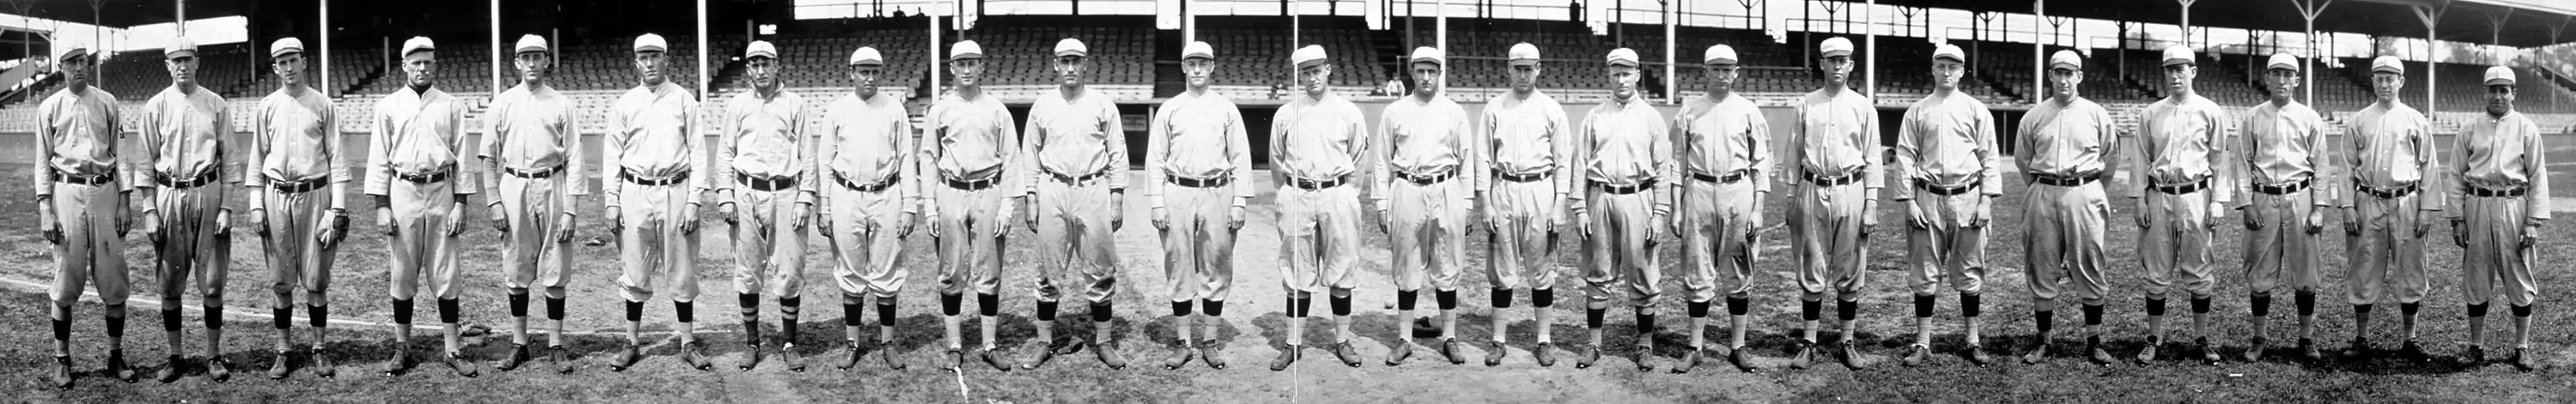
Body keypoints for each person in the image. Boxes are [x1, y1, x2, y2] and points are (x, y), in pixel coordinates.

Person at [366, 36, 482, 377]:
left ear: (435, 65)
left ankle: (452, 348)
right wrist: (381, 206)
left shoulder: (450, 105)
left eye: (427, 62)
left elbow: (463, 156)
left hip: (441, 189)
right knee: (403, 271)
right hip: (403, 189)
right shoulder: (388, 105)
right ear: (404, 65)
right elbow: (378, 158)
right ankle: (402, 346)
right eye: (415, 62)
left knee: (446, 270)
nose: (421, 68)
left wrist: (461, 203)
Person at [604, 33, 714, 372]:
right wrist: (611, 200)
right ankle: (631, 342)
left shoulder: (683, 99)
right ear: (635, 62)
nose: (649, 63)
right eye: (643, 57)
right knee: (635, 269)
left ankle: (687, 342)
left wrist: (695, 201)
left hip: (675, 189)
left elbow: (698, 153)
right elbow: (612, 156)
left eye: (655, 56)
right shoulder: (625, 103)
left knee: (681, 269)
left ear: (667, 59)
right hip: (635, 190)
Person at [1020, 38, 1131, 370]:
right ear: (1056, 64)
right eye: (1064, 61)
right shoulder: (1042, 105)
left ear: (1085, 64)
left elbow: (1118, 153)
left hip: (1093, 188)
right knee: (1048, 270)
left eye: (1076, 61)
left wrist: (1116, 197)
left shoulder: (1102, 104)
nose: (1070, 67)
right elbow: (1030, 154)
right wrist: (1031, 196)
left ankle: (1104, 342)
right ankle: (1043, 342)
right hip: (1053, 187)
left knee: (1100, 268)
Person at [1892, 43, 2002, 367]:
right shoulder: (1918, 110)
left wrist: (1986, 200)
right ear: (1932, 69)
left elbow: (1989, 158)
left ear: (1962, 71)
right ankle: (1923, 342)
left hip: (1968, 196)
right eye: (1941, 65)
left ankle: (1973, 340)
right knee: (1925, 271)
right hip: (1928, 197)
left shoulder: (1976, 109)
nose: (1946, 72)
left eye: (1953, 66)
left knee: (1970, 269)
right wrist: (1908, 201)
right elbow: (1905, 157)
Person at [479, 34, 583, 373]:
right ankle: (519, 343)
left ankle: (555, 344)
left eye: (538, 56)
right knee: (516, 267)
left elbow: (575, 159)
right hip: (514, 186)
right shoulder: (502, 103)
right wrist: (494, 201)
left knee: (556, 266)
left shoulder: (561, 104)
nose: (532, 63)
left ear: (547, 60)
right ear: (516, 63)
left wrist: (571, 209)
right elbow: (488, 157)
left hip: (553, 183)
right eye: (525, 57)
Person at [249, 37, 352, 379]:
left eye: (293, 60)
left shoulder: (323, 104)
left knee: (316, 279)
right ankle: (283, 350)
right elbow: (257, 158)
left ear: (304, 62)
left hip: (315, 196)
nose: (288, 67)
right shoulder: (267, 105)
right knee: (280, 280)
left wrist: (337, 209)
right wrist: (256, 205)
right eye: (282, 62)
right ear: (275, 67)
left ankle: (319, 348)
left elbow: (337, 159)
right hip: (276, 197)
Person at [138, 37, 238, 383]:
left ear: (197, 62)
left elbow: (230, 161)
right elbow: (144, 163)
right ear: (168, 65)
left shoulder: (215, 104)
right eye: (175, 60)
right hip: (169, 194)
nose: (182, 66)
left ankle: (213, 355)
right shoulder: (155, 106)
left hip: (208, 192)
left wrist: (227, 207)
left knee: (212, 281)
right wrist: (149, 210)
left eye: (187, 59)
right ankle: (175, 355)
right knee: (169, 282)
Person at [2013, 50, 2123, 365]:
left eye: (2069, 73)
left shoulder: (2096, 114)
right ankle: (2044, 340)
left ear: (2079, 77)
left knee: (2090, 263)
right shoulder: (2034, 116)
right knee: (2041, 265)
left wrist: (2092, 191)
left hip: (2084, 193)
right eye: (2058, 73)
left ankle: (2094, 341)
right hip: (2044, 192)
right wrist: (2041, 187)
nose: (2063, 79)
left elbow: (2110, 159)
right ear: (2050, 76)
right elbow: (2023, 159)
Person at [1145, 41, 1250, 371]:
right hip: (1178, 191)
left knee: (1216, 264)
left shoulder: (1226, 108)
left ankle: (1210, 341)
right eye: (1191, 63)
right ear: (1183, 67)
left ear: (1212, 67)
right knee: (1178, 264)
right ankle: (1183, 343)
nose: (1197, 69)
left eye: (1203, 63)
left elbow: (1240, 157)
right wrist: (1157, 203)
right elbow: (1155, 158)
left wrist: (1239, 202)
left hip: (1217, 191)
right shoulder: (1170, 108)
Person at [1267, 45, 1373, 371]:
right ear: (1298, 76)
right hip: (1298, 193)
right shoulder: (1286, 113)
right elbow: (1276, 160)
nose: (1312, 78)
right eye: (1305, 72)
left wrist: (1347, 193)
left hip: (1336, 194)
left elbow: (1359, 158)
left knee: (1341, 268)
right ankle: (1293, 343)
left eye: (1316, 70)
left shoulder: (1348, 112)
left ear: (1328, 70)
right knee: (1297, 270)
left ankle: (1342, 340)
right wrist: (1288, 193)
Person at [38, 40, 136, 389]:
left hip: (105, 192)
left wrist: (125, 201)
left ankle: (115, 355)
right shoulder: (49, 107)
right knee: (66, 278)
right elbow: (42, 161)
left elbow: (122, 155)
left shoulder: (107, 101)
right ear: (61, 68)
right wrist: (45, 208)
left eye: (82, 60)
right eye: (71, 62)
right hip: (66, 193)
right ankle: (62, 359)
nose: (79, 67)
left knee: (113, 278)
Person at [1373, 46, 1478, 366]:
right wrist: (1381, 202)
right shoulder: (1395, 111)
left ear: (1439, 74)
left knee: (1447, 263)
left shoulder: (1454, 112)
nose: (1426, 77)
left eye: (1432, 71)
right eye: (1421, 71)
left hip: (1446, 188)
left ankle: (1449, 337)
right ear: (1412, 73)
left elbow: (1466, 160)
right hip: (1407, 188)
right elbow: (1382, 160)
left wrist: (1468, 202)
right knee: (1406, 265)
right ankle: (1405, 338)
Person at [1571, 47, 1674, 371]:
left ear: (1638, 75)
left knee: (1643, 272)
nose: (1621, 80)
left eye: (1627, 73)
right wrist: (1579, 208)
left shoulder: (1651, 117)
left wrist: (1660, 214)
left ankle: (1644, 344)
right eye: (1616, 74)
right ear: (1609, 75)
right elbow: (1580, 164)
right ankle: (1594, 343)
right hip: (1600, 197)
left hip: (1639, 198)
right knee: (1598, 271)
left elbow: (1663, 169)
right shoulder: (1595, 116)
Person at [927, 39, 1025, 371]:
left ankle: (989, 344)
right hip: (951, 191)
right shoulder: (940, 110)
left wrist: (1007, 207)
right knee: (951, 269)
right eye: (961, 64)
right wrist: (929, 207)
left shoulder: (997, 110)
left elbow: (1011, 158)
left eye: (972, 63)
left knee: (989, 269)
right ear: (952, 69)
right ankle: (955, 343)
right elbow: (929, 159)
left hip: (988, 191)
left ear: (981, 67)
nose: (967, 69)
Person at [1669, 44, 1769, 373]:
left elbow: (1761, 163)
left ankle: (1738, 346)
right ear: (1706, 71)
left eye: (1728, 69)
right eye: (1716, 68)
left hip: (1737, 190)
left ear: (1736, 73)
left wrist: (1758, 209)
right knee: (1697, 269)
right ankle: (1695, 347)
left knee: (1738, 269)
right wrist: (1675, 208)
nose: (1722, 75)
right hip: (1698, 190)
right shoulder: (1689, 110)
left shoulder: (1748, 110)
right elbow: (1677, 163)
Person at [717, 40, 817, 372]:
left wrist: (806, 198)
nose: (761, 70)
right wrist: (725, 194)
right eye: (755, 64)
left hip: (785, 193)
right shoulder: (738, 105)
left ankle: (789, 342)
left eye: (766, 64)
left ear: (777, 66)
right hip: (746, 192)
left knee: (789, 270)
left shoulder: (795, 104)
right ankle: (752, 342)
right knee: (747, 271)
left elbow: (807, 155)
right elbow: (725, 153)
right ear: (748, 69)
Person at [817, 45, 919, 371]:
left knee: (887, 268)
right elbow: (824, 161)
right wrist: (824, 207)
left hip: (886, 193)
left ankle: (888, 341)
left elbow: (907, 159)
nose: (870, 77)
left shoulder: (894, 108)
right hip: (846, 194)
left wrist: (910, 206)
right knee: (851, 270)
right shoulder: (837, 110)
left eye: (875, 71)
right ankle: (853, 342)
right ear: (852, 73)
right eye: (864, 71)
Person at [1786, 37, 1882, 371]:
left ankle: (1847, 341)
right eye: (1832, 60)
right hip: (1812, 187)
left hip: (1851, 189)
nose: (1838, 65)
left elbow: (1872, 157)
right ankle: (1809, 342)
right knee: (1811, 266)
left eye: (1843, 60)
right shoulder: (1806, 104)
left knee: (1850, 267)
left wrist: (1871, 203)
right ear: (1822, 64)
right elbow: (1793, 153)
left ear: (1851, 65)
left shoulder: (1863, 106)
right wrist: (1790, 197)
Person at [1477, 42, 1576, 367]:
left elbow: (1564, 160)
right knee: (1502, 270)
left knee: (1542, 269)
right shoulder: (1495, 107)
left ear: (1538, 69)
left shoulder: (1551, 108)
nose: (1523, 75)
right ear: (1509, 68)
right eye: (1518, 68)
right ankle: (1499, 340)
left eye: (1529, 69)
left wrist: (1560, 204)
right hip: (1504, 187)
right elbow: (1483, 158)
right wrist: (1485, 202)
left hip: (1540, 189)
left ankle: (1543, 340)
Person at [2231, 53, 2332, 364]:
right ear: (2267, 79)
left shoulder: (2309, 117)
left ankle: (2306, 338)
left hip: (2300, 197)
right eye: (2276, 74)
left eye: (2288, 75)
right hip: (2264, 198)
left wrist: (2319, 209)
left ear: (2296, 81)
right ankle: (2259, 338)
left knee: (2306, 270)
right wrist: (2246, 204)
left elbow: (2322, 167)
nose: (2282, 80)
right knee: (2260, 269)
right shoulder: (2253, 117)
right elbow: (2242, 163)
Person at [2447, 65, 2549, 371]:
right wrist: (2457, 219)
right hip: (2477, 204)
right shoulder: (2469, 129)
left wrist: (2533, 221)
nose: (2498, 96)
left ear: (2513, 93)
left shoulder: (2526, 128)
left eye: (2504, 90)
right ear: (2484, 92)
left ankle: (2522, 347)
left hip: (2513, 204)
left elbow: (2538, 176)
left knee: (2519, 275)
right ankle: (2476, 346)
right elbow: (2455, 175)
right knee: (2476, 275)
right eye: (2492, 89)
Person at [2337, 55, 2439, 362]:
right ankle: (2362, 338)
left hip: (2406, 201)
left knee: (2411, 267)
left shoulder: (2415, 119)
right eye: (2379, 78)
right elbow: (2346, 167)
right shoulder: (2359, 120)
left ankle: (2410, 338)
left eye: (2390, 78)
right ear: (2372, 81)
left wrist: (2427, 209)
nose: (2385, 84)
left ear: (2401, 82)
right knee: (2363, 266)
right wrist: (2347, 206)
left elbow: (2429, 167)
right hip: (2368, 200)